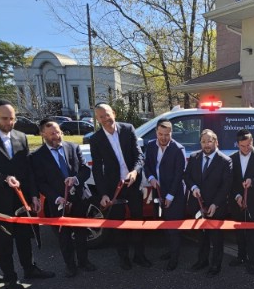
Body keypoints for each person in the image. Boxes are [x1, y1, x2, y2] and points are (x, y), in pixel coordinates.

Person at [0, 100, 54, 289]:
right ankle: (10, 279)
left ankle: (30, 268)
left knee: (24, 237)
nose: (9, 123)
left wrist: (33, 195)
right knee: (3, 242)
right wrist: (4, 178)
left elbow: (28, 169)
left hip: (21, 199)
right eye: (4, 118)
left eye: (12, 119)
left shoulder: (20, 136)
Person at [31, 119, 96, 277]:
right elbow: (41, 183)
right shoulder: (37, 156)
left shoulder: (73, 147)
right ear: (43, 134)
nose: (57, 136)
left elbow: (85, 170)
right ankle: (70, 266)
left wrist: (76, 179)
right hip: (58, 202)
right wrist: (57, 198)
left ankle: (84, 261)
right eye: (52, 133)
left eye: (58, 132)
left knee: (81, 233)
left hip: (79, 198)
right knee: (64, 236)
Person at [90, 103, 150, 270]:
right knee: (117, 224)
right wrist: (103, 193)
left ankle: (139, 255)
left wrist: (135, 172)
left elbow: (139, 156)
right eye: (101, 117)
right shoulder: (96, 139)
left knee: (137, 221)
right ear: (97, 119)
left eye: (107, 115)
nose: (105, 119)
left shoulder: (128, 129)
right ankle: (123, 257)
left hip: (133, 184)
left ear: (114, 113)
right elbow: (97, 169)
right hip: (113, 188)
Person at [184, 129, 232, 276]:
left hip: (215, 207)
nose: (206, 144)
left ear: (216, 142)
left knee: (216, 238)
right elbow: (187, 177)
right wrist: (193, 187)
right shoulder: (194, 157)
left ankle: (215, 266)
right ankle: (202, 261)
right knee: (201, 236)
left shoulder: (225, 161)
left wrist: (215, 204)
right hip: (197, 206)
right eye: (203, 141)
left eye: (209, 141)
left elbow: (226, 186)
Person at [144, 119, 187, 271]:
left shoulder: (178, 149)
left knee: (173, 228)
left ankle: (174, 259)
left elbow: (179, 175)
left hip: (174, 194)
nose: (163, 137)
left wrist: (170, 196)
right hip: (158, 191)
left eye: (167, 134)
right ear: (156, 132)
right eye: (161, 134)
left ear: (171, 133)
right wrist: (151, 178)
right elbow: (147, 166)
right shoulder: (150, 145)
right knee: (164, 223)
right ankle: (171, 251)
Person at [229, 129, 254, 274]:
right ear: (237, 144)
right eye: (242, 146)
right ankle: (240, 257)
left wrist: (253, 182)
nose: (246, 148)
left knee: (253, 233)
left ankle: (252, 260)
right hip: (237, 202)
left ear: (252, 141)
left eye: (248, 145)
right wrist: (237, 196)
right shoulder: (231, 158)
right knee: (239, 233)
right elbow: (230, 182)